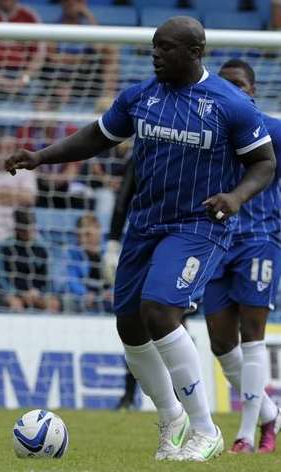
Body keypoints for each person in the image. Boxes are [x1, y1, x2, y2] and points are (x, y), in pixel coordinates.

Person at [5, 16, 276, 462]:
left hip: (199, 225)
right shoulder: (141, 96)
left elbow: (263, 163)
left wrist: (236, 196)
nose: (155, 54)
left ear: (194, 52)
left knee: (160, 309)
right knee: (130, 326)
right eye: (153, 46)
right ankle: (172, 417)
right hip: (145, 223)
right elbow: (96, 136)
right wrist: (40, 157)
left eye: (165, 48)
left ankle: (205, 431)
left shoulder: (230, 104)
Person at [204, 59, 281, 454]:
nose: (233, 90)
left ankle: (247, 435)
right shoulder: (211, 132)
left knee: (252, 337)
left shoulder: (274, 131)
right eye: (226, 84)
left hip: (259, 240)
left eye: (239, 84)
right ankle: (271, 413)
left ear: (252, 89)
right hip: (216, 242)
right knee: (220, 343)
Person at [0, 0, 46, 104]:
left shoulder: (30, 16)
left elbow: (39, 56)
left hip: (23, 75)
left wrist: (23, 79)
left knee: (42, 98)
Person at [0, 208, 61, 313]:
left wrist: (38, 292)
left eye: (31, 229)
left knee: (53, 304)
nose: (28, 233)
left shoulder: (42, 248)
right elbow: (1, 277)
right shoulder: (5, 247)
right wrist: (17, 293)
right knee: (15, 304)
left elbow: (47, 277)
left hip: (36, 294)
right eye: (24, 230)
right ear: (17, 229)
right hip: (13, 293)